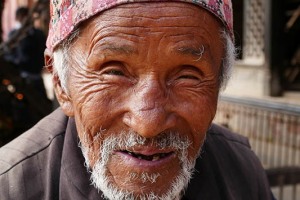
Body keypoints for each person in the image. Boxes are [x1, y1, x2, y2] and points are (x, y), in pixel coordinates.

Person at [0, 0, 273, 199]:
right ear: (61, 83)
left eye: (186, 76)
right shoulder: (11, 187)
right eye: (115, 72)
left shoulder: (240, 170)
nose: (148, 123)